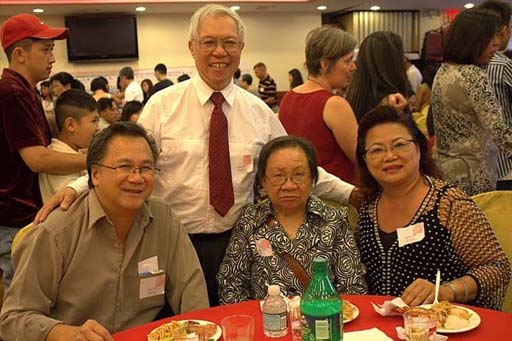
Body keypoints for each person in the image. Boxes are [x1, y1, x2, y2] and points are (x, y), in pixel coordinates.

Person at [36, 4, 358, 308]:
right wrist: (75, 188)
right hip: (170, 241)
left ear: (241, 49)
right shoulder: (162, 106)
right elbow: (123, 162)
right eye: (209, 42)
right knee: (175, 323)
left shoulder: (259, 113)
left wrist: (353, 194)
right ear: (192, 47)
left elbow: (299, 167)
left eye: (230, 43)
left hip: (238, 243)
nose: (220, 52)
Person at [0, 122, 209, 340]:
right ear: (95, 174)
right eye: (124, 167)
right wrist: (66, 333)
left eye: (146, 168)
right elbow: (13, 319)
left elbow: (192, 294)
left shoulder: (164, 220)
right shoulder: (58, 232)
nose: (137, 178)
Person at [355, 105, 511, 310]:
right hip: (384, 327)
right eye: (376, 150)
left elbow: (497, 268)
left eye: (399, 145)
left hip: (446, 325)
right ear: (365, 160)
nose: (389, 156)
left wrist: (445, 291)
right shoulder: (368, 206)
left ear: (419, 149)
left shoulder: (449, 204)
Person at [217, 136, 367, 304]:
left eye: (298, 175)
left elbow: (353, 287)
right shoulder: (250, 220)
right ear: (264, 181)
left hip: (322, 323)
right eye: (278, 175)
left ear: (312, 179)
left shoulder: (334, 220)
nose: (289, 185)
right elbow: (230, 286)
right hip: (266, 324)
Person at [0, 14, 87, 288]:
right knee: (24, 301)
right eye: (45, 50)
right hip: (15, 217)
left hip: (23, 214)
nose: (52, 58)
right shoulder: (12, 92)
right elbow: (37, 158)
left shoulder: (28, 91)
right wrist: (90, 160)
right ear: (20, 54)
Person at [431, 8, 512, 196]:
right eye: (491, 38)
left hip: (446, 169)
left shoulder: (444, 70)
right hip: (473, 173)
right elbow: (499, 131)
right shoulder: (473, 75)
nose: (497, 44)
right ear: (472, 41)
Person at [279, 26, 359, 185]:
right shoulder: (333, 104)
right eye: (348, 61)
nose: (353, 67)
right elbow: (361, 157)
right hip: (335, 196)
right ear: (324, 64)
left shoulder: (289, 97)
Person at [39, 89, 99, 203]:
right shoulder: (57, 159)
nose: (97, 128)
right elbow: (78, 202)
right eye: (94, 121)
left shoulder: (75, 152)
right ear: (70, 125)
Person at [478, 0, 512, 187]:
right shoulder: (502, 64)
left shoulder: (453, 66)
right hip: (505, 165)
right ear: (505, 29)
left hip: (476, 166)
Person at [346, 31, 410, 121]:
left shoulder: (355, 93)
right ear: (393, 62)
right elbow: (410, 134)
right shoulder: (393, 101)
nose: (405, 59)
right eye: (401, 54)